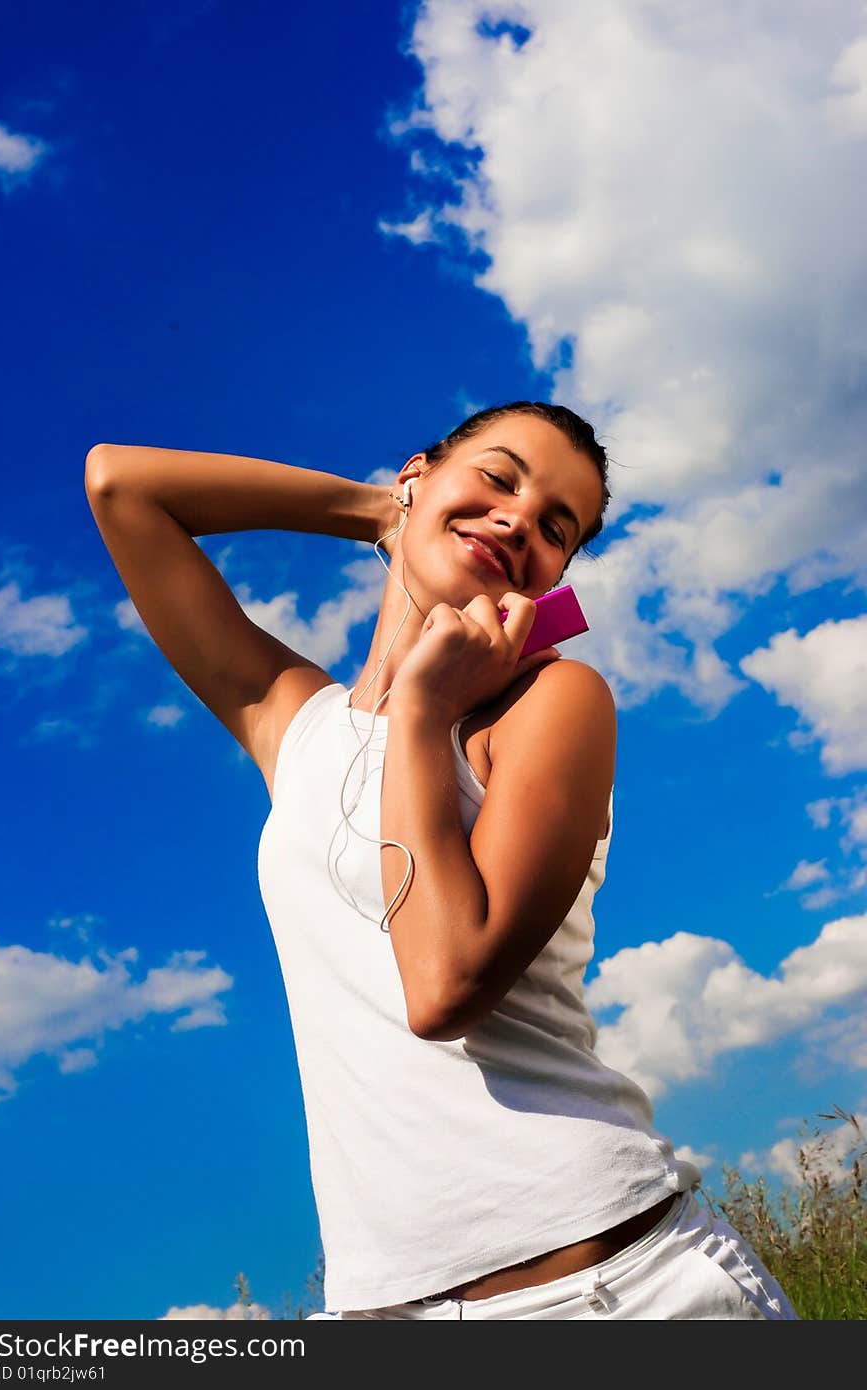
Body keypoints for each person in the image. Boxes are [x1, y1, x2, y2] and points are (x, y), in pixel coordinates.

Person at [84, 402, 798, 1320]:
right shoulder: (293, 725)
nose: (517, 520)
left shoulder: (552, 705)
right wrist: (380, 509)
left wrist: (421, 713)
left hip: (616, 1292)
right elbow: (122, 484)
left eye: (555, 527)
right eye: (499, 480)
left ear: (553, 578)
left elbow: (444, 985)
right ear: (417, 474)